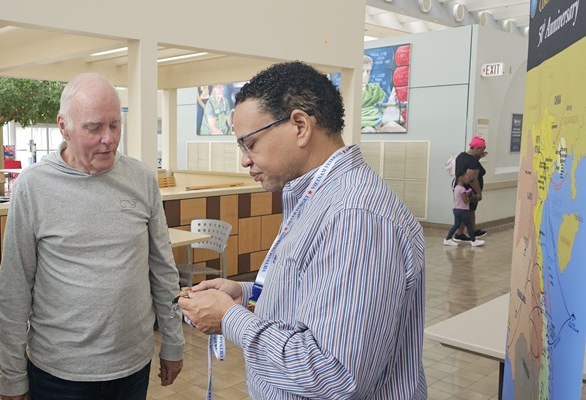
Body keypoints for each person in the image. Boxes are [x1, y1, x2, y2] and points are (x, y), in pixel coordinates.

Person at [178, 61, 426, 399]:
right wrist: (249, 295)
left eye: (250, 144)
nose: (245, 160)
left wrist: (230, 319)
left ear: (299, 126)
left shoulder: (355, 217)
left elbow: (334, 374)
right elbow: (314, 290)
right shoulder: (316, 197)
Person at [0, 73, 184, 400]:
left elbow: (163, 268)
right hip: (60, 373)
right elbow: (14, 286)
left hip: (132, 366)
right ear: (63, 126)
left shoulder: (141, 179)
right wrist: (11, 375)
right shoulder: (33, 187)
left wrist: (173, 340)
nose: (108, 139)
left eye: (115, 125)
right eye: (94, 127)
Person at [453, 136, 488, 241]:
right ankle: (459, 234)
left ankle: (473, 230)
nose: (483, 152)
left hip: (459, 187)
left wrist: (479, 158)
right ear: (477, 148)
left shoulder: (461, 156)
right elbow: (473, 179)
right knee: (466, 211)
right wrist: (478, 193)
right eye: (482, 150)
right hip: (468, 190)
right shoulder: (472, 161)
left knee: (471, 210)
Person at [443, 173, 485, 247]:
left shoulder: (456, 187)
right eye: (467, 178)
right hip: (462, 210)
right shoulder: (462, 189)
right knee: (469, 225)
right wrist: (471, 197)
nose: (469, 180)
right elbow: (465, 200)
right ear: (461, 178)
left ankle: (447, 239)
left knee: (456, 225)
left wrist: (468, 194)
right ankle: (473, 241)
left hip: (456, 209)